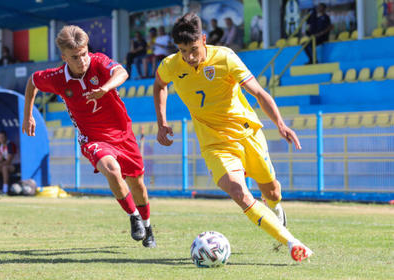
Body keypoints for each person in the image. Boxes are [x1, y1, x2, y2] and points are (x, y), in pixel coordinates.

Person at [153, 13, 313, 262]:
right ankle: (291, 242)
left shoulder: (225, 58)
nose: (189, 57)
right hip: (214, 143)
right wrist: (162, 122)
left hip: (246, 133)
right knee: (239, 192)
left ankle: (275, 208)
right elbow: (159, 85)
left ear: (203, 40)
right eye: (183, 51)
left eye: (193, 49)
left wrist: (280, 124)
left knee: (271, 190)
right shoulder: (171, 65)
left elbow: (259, 92)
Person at [22, 25, 156, 248]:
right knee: (112, 171)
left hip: (122, 133)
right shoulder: (56, 78)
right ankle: (133, 216)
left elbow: (122, 72)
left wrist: (105, 88)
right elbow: (32, 82)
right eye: (75, 57)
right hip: (92, 138)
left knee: (138, 184)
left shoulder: (98, 62)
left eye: (84, 54)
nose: (82, 60)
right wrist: (28, 116)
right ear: (64, 57)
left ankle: (148, 226)